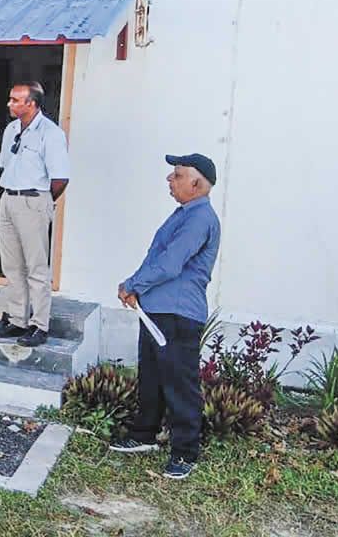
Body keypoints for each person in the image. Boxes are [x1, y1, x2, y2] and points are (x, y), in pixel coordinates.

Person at [110, 154, 221, 480]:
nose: (170, 180)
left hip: (178, 314)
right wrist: (137, 289)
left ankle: (185, 452)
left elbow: (171, 264)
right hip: (158, 310)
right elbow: (157, 260)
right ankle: (144, 434)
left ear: (196, 183)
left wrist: (133, 284)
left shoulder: (199, 218)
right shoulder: (184, 214)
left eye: (177, 175)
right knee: (152, 377)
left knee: (180, 384)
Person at [0, 81, 71, 347]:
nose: (10, 104)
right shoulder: (11, 129)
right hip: (9, 199)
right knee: (12, 265)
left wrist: (42, 201)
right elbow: (4, 165)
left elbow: (60, 178)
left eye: (15, 100)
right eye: (10, 99)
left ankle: (39, 325)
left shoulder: (51, 133)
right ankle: (17, 319)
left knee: (36, 267)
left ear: (32, 103)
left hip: (34, 200)